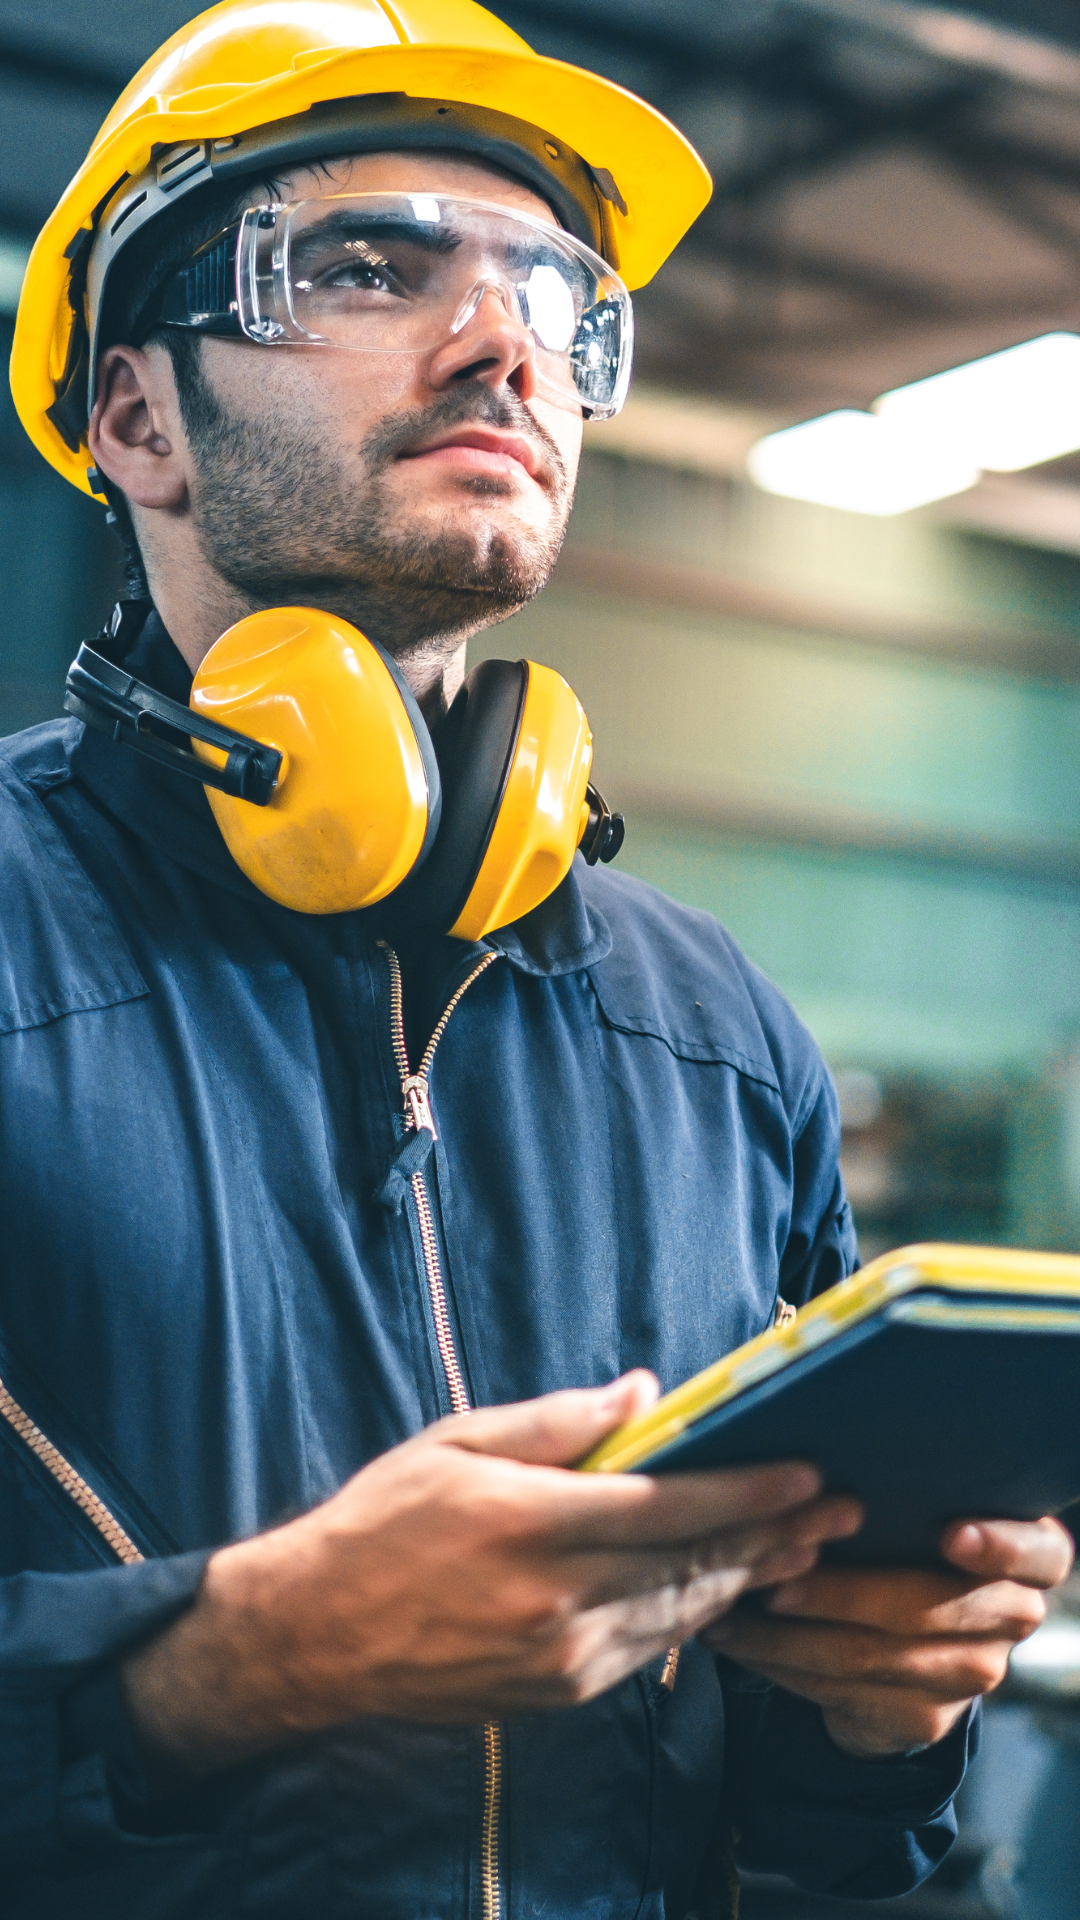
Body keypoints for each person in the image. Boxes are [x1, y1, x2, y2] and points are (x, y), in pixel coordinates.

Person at [2, 3, 1071, 1915]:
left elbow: (808, 1845)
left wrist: (881, 1719)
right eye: (369, 265)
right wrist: (235, 1663)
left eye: (559, 296)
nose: (507, 342)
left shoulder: (715, 1032)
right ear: (137, 417)